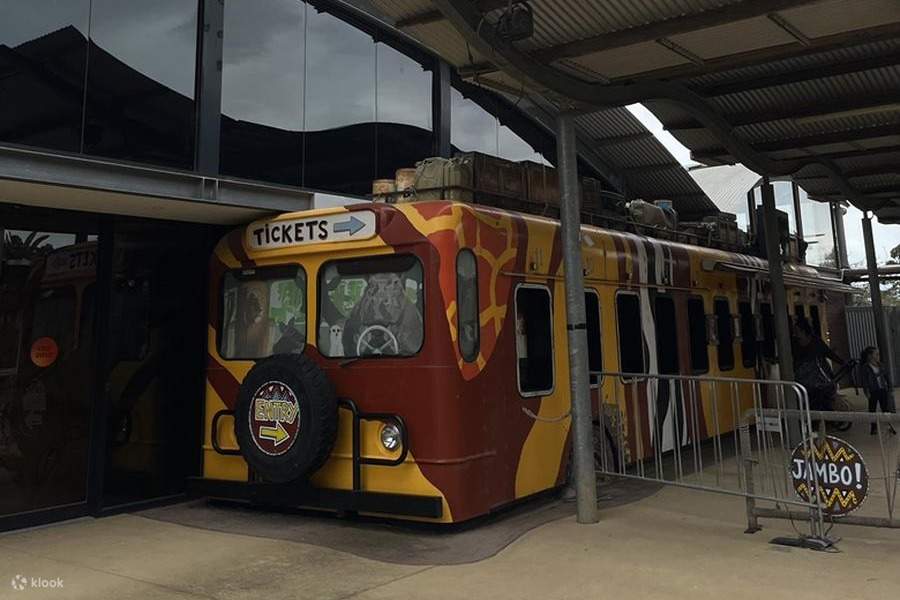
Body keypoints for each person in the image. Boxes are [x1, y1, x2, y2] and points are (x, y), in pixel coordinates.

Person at [792, 318, 844, 411]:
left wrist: (841, 362)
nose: (795, 333)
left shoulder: (816, 341)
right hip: (804, 377)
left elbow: (828, 353)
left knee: (822, 395)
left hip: (819, 375)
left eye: (797, 330)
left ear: (803, 330)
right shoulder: (794, 343)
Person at [858, 346, 897, 435]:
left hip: (882, 389)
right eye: (876, 354)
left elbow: (887, 377)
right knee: (872, 409)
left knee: (885, 409)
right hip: (873, 391)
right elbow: (864, 381)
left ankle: (889, 426)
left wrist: (890, 387)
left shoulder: (881, 365)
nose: (878, 356)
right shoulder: (865, 367)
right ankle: (873, 428)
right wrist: (866, 391)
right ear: (870, 356)